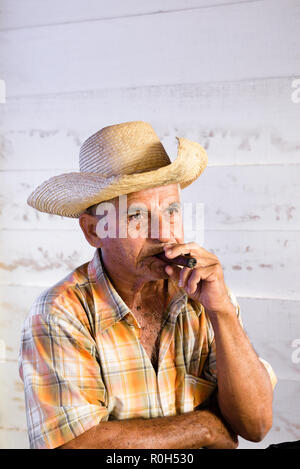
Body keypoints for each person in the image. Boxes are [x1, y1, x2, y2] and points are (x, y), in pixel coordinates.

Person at [19, 121, 277, 449]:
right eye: (136, 216)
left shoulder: (204, 292)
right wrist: (205, 427)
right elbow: (74, 446)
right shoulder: (61, 311)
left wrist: (222, 310)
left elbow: (255, 425)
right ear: (93, 231)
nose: (164, 234)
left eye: (171, 211)